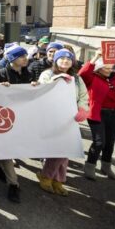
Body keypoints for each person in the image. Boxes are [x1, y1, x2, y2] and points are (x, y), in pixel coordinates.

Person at [0, 45, 39, 203]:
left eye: (26, 55)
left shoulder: (29, 74)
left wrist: (35, 87)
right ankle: (13, 184)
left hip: (21, 119)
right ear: (12, 59)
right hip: (3, 120)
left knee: (8, 148)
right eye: (21, 56)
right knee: (6, 150)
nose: (26, 58)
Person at [37, 49, 89, 195]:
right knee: (58, 149)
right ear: (56, 60)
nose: (65, 61)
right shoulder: (47, 74)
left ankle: (58, 180)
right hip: (52, 117)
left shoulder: (77, 78)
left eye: (68, 59)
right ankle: (46, 176)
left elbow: (84, 95)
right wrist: (57, 78)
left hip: (70, 118)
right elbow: (41, 90)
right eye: (62, 58)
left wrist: (83, 109)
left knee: (66, 150)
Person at [78, 49, 115, 180]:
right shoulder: (92, 77)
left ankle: (106, 167)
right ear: (98, 67)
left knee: (110, 142)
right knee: (99, 142)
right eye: (105, 67)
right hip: (97, 113)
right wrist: (95, 57)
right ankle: (90, 166)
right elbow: (82, 74)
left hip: (114, 113)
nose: (108, 70)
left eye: (110, 67)